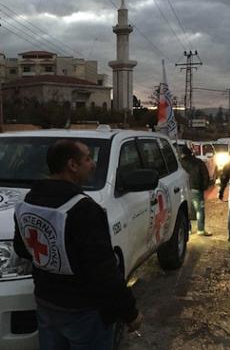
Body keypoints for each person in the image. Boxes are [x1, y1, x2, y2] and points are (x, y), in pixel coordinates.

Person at [13, 139, 142, 349]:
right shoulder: (84, 209)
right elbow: (104, 271)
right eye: (88, 159)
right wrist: (130, 312)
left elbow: (22, 249)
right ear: (72, 166)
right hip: (84, 312)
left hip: (46, 303)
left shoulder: (29, 201)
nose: (92, 165)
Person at [180, 146, 212, 236]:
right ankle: (200, 230)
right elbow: (205, 175)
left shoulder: (181, 163)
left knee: (187, 210)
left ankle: (188, 230)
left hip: (185, 189)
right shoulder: (198, 162)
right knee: (199, 210)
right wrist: (204, 187)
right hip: (197, 189)